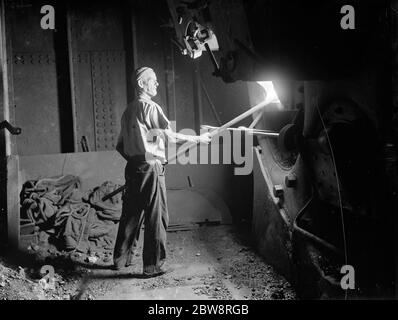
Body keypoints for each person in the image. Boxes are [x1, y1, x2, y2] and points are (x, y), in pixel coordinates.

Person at [112, 67, 211, 277]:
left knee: (130, 214)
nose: (157, 84)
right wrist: (199, 139)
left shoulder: (129, 110)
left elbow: (119, 145)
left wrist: (136, 160)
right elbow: (171, 137)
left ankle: (120, 259)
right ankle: (152, 266)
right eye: (153, 81)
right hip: (151, 168)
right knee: (156, 216)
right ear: (141, 84)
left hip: (133, 168)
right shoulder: (151, 107)